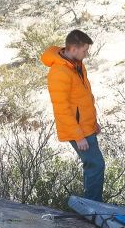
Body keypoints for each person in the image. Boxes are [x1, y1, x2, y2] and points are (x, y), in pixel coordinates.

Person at [41, 30, 104, 202]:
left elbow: (83, 97)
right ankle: (93, 208)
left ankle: (90, 205)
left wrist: (93, 123)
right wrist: (78, 136)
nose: (87, 54)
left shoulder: (76, 64)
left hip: (86, 126)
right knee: (96, 165)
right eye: (84, 50)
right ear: (74, 49)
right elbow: (61, 108)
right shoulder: (59, 72)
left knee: (93, 165)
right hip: (77, 130)